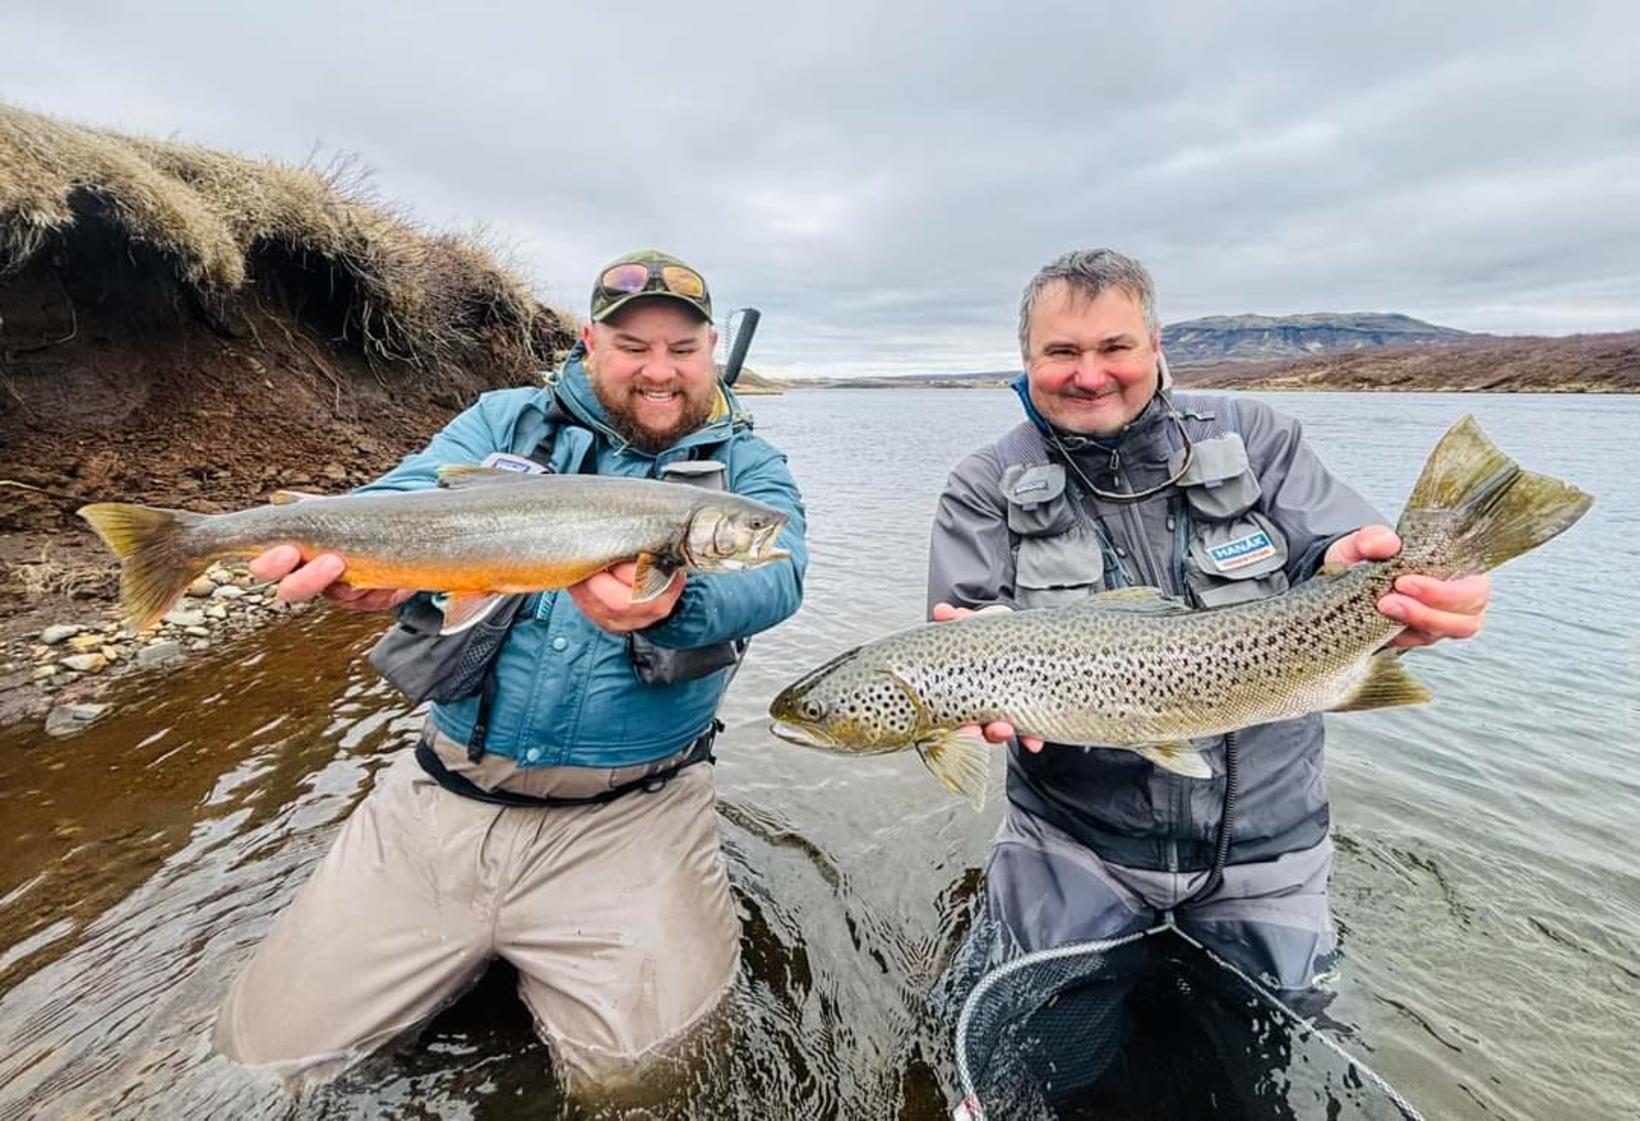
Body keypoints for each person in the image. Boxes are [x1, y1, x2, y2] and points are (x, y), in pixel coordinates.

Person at [214, 250, 807, 1094]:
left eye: (682, 348)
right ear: (588, 340)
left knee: (648, 1083)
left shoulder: (747, 469)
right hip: (440, 796)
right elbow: (402, 498)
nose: (659, 369)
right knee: (264, 1061)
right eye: (633, 344)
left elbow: (781, 574)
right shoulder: (503, 422)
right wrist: (353, 555)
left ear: (711, 349)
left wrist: (672, 605)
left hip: (634, 816)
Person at [927, 248, 1489, 999]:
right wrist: (979, 677)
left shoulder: (1256, 436)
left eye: (1114, 347)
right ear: (1026, 359)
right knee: (1035, 1039)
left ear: (1156, 348)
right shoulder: (980, 487)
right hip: (1074, 843)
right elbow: (961, 625)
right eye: (1062, 351)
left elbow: (1342, 547)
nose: (1089, 374)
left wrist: (1405, 587)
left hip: (1270, 847)